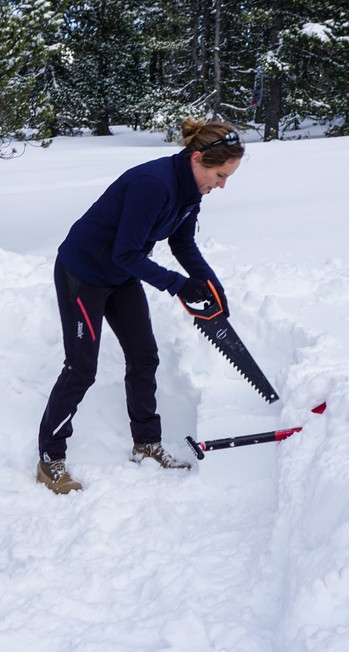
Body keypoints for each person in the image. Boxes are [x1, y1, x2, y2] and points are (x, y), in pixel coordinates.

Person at [36, 117, 244, 494]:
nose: (222, 184)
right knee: (82, 368)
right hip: (84, 273)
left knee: (145, 355)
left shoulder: (190, 190)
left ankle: (146, 444)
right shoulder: (154, 185)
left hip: (120, 273)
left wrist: (212, 286)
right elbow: (128, 251)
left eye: (227, 176)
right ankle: (49, 457)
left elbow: (183, 245)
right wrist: (179, 286)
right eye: (220, 174)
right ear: (197, 158)